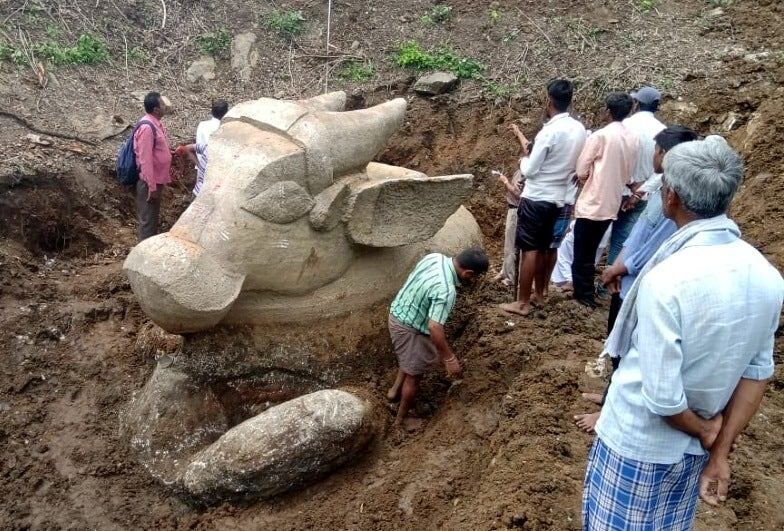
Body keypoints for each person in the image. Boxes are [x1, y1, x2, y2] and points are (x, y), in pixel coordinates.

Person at [583, 139, 784, 530]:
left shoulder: (668, 279)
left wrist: (706, 429)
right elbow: (757, 371)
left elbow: (662, 397)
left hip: (637, 445)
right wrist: (719, 448)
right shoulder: (767, 276)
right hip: (694, 453)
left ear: (671, 196)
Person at [574, 125, 699, 433]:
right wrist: (618, 265)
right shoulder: (660, 188)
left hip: (640, 282)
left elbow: (657, 244)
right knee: (617, 343)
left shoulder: (676, 199)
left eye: (657, 151)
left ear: (667, 155)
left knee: (630, 350)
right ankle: (607, 397)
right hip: (628, 278)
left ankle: (609, 414)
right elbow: (638, 234)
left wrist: (623, 267)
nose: (654, 156)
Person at [500, 79, 586, 316]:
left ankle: (523, 302)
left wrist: (522, 161)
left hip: (538, 198)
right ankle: (541, 293)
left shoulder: (549, 132)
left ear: (549, 101)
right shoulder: (579, 130)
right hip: (564, 200)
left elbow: (530, 170)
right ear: (571, 101)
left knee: (530, 250)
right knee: (551, 247)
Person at [387, 248, 489, 429]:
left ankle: (393, 393)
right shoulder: (446, 290)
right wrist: (449, 358)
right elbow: (434, 327)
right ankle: (400, 420)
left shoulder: (434, 257)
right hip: (408, 327)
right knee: (414, 376)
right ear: (468, 273)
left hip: (397, 312)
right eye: (473, 278)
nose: (472, 281)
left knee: (409, 358)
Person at [571, 93, 638, 308]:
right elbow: (629, 175)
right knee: (592, 251)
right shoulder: (632, 138)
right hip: (612, 203)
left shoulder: (600, 136)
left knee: (582, 252)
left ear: (608, 111)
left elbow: (581, 169)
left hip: (593, 201)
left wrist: (587, 176)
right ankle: (586, 292)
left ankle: (583, 295)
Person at [606, 86, 666, 264]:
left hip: (615, 190)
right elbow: (663, 169)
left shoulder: (624, 125)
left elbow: (613, 159)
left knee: (597, 237)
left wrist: (630, 184)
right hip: (642, 196)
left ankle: (579, 283)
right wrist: (640, 192)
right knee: (622, 240)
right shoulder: (663, 131)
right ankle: (608, 286)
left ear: (637, 104)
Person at [134, 92, 173, 241]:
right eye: (163, 104)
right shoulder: (147, 128)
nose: (165, 106)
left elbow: (156, 150)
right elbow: (145, 160)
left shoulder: (155, 124)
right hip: (150, 183)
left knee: (152, 219)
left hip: (156, 181)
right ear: (156, 109)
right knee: (148, 222)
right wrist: (151, 187)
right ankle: (142, 257)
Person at [191, 100, 229, 196]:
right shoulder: (224, 128)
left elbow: (198, 144)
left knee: (199, 192)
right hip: (215, 167)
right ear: (226, 113)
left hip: (201, 164)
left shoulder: (202, 125)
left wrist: (198, 164)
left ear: (212, 111)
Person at [494, 168, 523, 287]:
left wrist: (505, 182)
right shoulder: (523, 168)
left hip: (516, 210)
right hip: (513, 209)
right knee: (508, 245)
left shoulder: (526, 170)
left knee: (512, 246)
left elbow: (518, 194)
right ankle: (505, 271)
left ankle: (511, 277)